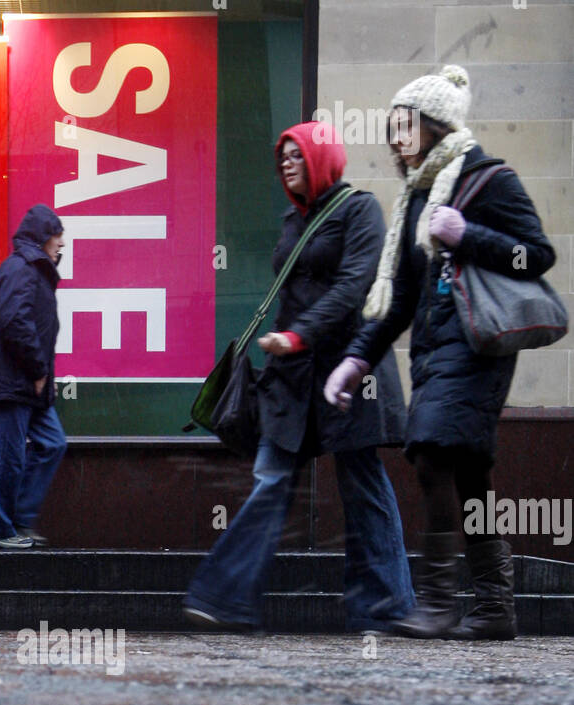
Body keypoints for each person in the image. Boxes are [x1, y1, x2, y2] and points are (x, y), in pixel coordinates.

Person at [325, 66, 556, 639]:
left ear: (435, 125)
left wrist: (467, 236)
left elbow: (538, 256)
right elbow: (399, 297)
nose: (397, 139)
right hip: (433, 348)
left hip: (479, 345)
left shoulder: (488, 178)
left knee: (430, 454)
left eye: (406, 127)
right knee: (469, 473)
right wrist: (355, 360)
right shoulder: (414, 198)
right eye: (392, 128)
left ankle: (436, 602)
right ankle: (494, 607)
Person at [185, 121, 414, 632]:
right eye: (282, 156)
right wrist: (285, 349)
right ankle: (224, 599)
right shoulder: (293, 220)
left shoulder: (360, 210)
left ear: (322, 158)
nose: (287, 163)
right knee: (271, 481)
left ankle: (386, 606)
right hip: (292, 378)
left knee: (362, 483)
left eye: (297, 154)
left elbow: (357, 284)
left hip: (350, 371)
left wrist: (298, 335)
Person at [0, 206, 66, 550]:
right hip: (15, 381)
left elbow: (37, 329)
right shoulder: (21, 268)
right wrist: (38, 370)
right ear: (45, 236)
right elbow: (13, 321)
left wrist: (45, 375)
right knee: (8, 456)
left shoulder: (36, 272)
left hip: (31, 381)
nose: (61, 245)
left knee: (53, 443)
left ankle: (20, 520)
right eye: (58, 237)